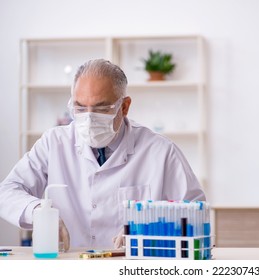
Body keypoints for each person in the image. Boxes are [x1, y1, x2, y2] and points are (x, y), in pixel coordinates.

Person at [0, 59, 205, 250]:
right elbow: (7, 192)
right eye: (80, 108)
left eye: (101, 108)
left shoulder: (161, 151)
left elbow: (197, 212)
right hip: (69, 264)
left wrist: (147, 228)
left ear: (124, 107)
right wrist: (37, 211)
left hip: (132, 266)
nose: (89, 119)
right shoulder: (54, 143)